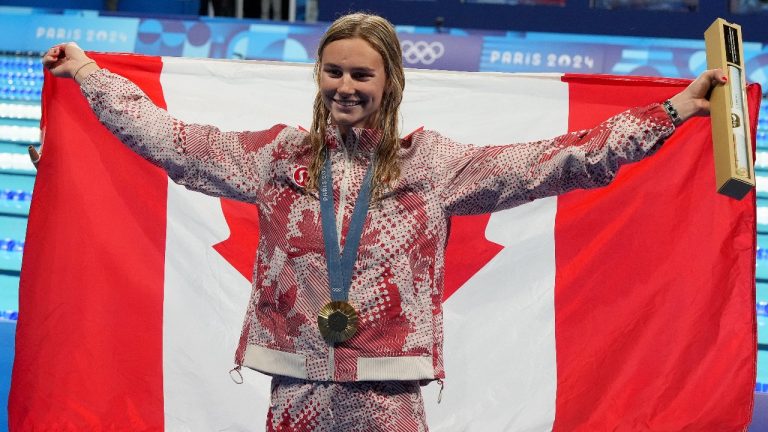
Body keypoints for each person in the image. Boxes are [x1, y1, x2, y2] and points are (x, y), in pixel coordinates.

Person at [42, 12, 725, 431]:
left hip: (388, 390)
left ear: (390, 82)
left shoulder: (432, 166)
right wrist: (90, 76)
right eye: (333, 72)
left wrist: (667, 114)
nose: (345, 87)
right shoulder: (277, 158)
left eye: (361, 76)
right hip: (297, 380)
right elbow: (170, 139)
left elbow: (556, 161)